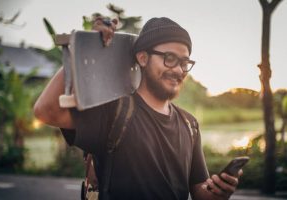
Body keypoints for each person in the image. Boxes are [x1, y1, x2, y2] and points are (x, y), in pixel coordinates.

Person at [34, 17, 242, 200]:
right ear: (142, 58)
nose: (179, 70)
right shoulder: (113, 112)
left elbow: (199, 192)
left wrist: (218, 192)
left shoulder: (190, 124)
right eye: (169, 59)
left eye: (184, 62)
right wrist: (82, 50)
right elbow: (45, 110)